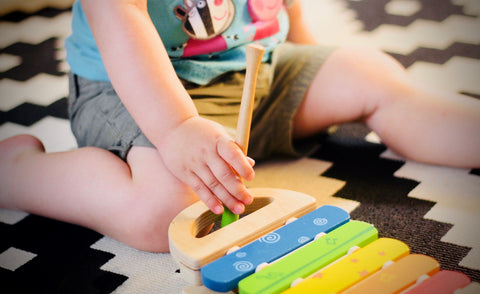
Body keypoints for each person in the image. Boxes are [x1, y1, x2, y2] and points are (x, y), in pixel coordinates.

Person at [1, 0, 479, 253]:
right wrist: (177, 128)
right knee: (163, 215)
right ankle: (21, 173)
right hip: (136, 88)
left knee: (368, 72)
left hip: (256, 68)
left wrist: (309, 57)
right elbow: (118, 15)